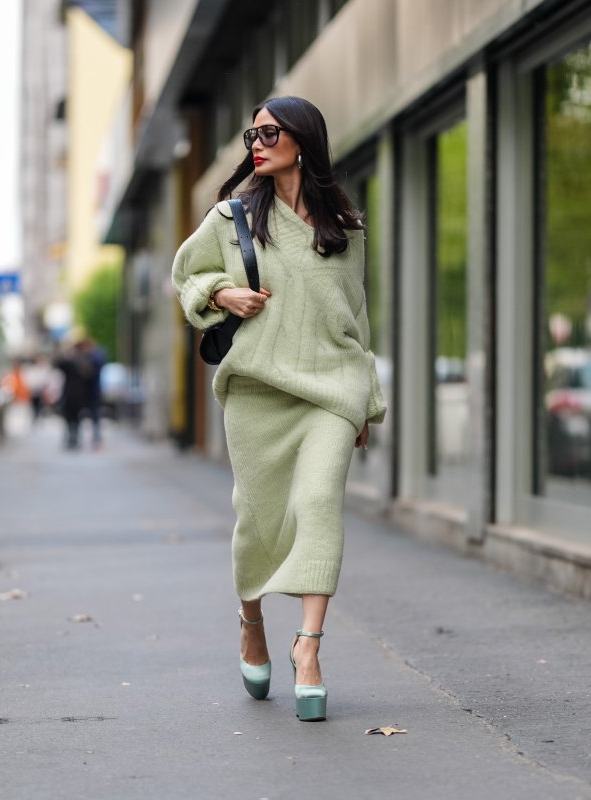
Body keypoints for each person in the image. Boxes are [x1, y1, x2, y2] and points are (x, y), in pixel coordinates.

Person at [171, 96, 386, 722]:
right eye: (252, 133)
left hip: (331, 391)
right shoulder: (232, 216)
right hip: (259, 390)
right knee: (259, 520)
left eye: (270, 133)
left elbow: (357, 318)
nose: (257, 144)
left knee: (318, 502)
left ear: (303, 141)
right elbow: (186, 277)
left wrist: (364, 405)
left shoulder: (344, 229)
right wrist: (222, 292)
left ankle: (310, 650)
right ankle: (252, 622)